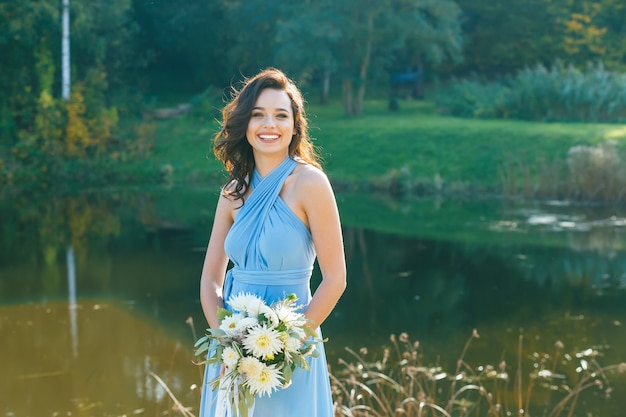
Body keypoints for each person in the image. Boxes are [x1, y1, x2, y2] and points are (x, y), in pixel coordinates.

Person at [198, 68, 347, 417]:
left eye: (281, 115)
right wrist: (226, 343)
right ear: (245, 124)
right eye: (258, 115)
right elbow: (209, 280)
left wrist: (287, 346)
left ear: (295, 126)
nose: (269, 125)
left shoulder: (310, 183)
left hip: (291, 350)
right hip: (234, 353)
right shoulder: (232, 192)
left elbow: (336, 279)